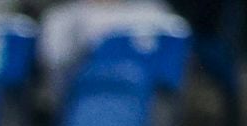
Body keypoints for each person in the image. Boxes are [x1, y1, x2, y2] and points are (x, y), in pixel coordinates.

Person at [38, 0, 175, 96]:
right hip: (83, 105)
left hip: (146, 111)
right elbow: (54, 69)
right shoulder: (60, 18)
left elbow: (173, 69)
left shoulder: (154, 13)